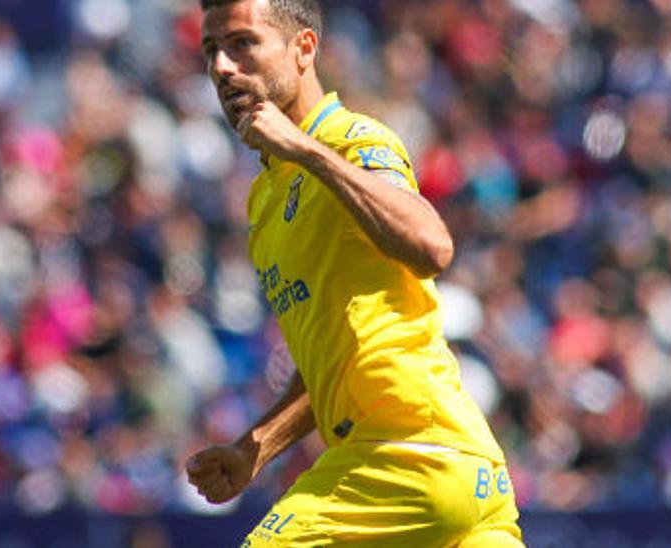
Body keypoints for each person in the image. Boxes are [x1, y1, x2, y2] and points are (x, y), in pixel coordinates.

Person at [185, 0, 524, 545]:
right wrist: (257, 448)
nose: (223, 67)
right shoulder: (265, 201)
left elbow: (431, 246)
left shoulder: (353, 139)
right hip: (463, 470)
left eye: (243, 44)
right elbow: (335, 358)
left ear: (303, 49)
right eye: (211, 51)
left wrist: (307, 150)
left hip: (407, 456)